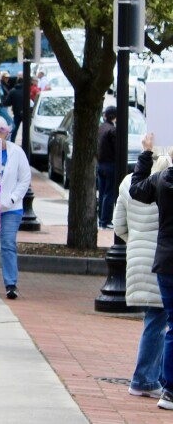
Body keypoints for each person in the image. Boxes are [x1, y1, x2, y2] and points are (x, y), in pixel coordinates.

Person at [115, 149, 172, 399]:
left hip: (137, 257)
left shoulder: (129, 183)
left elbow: (119, 226)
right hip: (160, 258)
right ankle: (146, 378)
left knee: (155, 319)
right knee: (158, 322)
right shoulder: (164, 185)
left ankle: (154, 377)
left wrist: (134, 243)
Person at [129, 132, 173, 411]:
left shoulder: (162, 180)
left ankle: (169, 390)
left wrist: (146, 154)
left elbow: (136, 189)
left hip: (167, 263)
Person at [0, 115, 31, 299]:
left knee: (8, 243)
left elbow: (24, 179)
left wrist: (12, 199)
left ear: (4, 134)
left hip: (11, 208)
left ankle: (11, 284)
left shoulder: (16, 153)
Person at [97, 105, 117, 229]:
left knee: (102, 192)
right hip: (110, 165)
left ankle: (101, 220)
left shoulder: (101, 128)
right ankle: (106, 220)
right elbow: (116, 149)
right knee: (109, 194)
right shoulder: (112, 130)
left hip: (100, 164)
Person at [2, 76, 24, 141]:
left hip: (16, 113)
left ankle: (12, 142)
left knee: (14, 130)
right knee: (26, 130)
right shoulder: (26, 91)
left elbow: (7, 103)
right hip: (25, 113)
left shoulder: (13, 91)